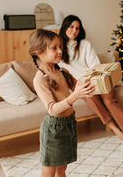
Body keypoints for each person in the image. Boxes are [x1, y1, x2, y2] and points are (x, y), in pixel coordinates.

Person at [58, 15, 123, 152]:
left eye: (77, 28)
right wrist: (82, 83)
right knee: (93, 100)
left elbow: (95, 65)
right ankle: (119, 133)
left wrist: (93, 79)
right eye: (71, 27)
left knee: (110, 102)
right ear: (64, 27)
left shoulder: (85, 44)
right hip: (81, 84)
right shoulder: (59, 49)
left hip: (97, 77)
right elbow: (67, 72)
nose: (74, 31)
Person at [29, 29, 95, 177]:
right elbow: (53, 109)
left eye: (60, 47)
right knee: (49, 171)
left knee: (62, 168)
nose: (60, 51)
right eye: (54, 48)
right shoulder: (40, 79)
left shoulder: (62, 71)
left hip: (69, 123)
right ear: (39, 52)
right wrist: (75, 96)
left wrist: (95, 80)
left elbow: (79, 86)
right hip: (54, 129)